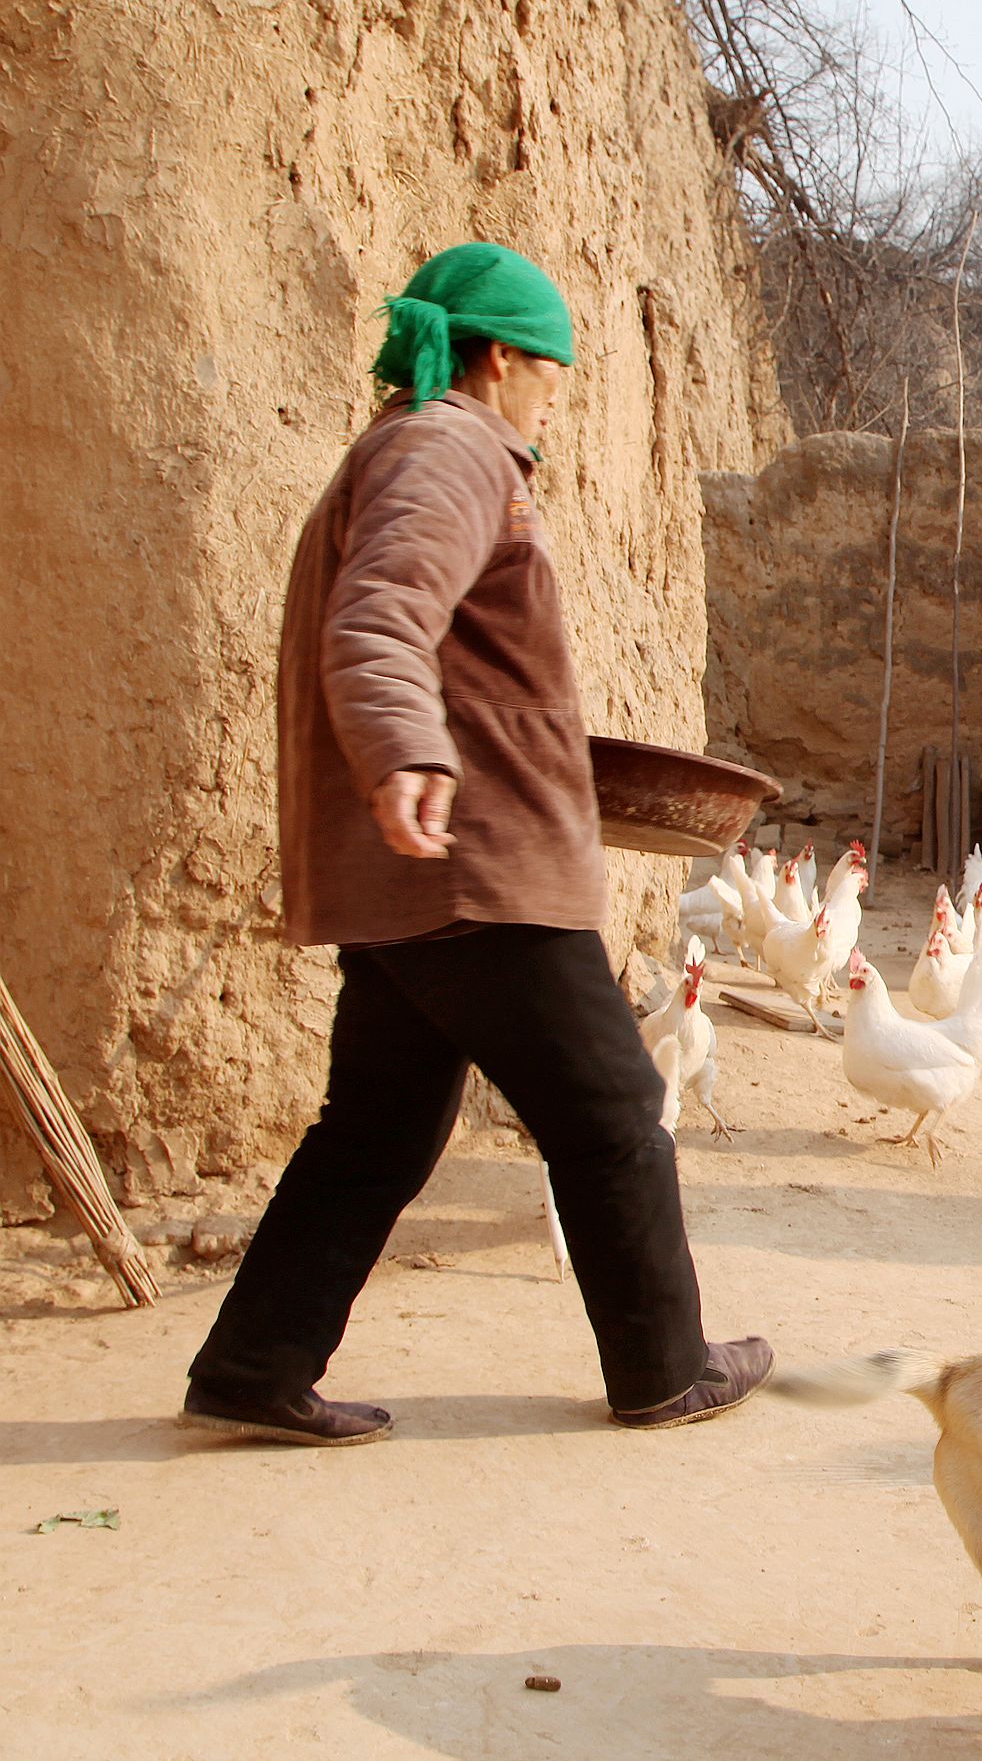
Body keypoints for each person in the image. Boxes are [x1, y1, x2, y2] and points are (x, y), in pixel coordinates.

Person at [183, 244, 771, 1444]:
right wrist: (408, 748)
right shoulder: (451, 448)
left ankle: (254, 1364)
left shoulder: (405, 451)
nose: (559, 391)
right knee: (611, 1110)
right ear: (501, 356)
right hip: (477, 867)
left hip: (410, 872)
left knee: (377, 1130)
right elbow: (385, 611)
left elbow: (431, 642)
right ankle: (665, 1367)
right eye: (553, 366)